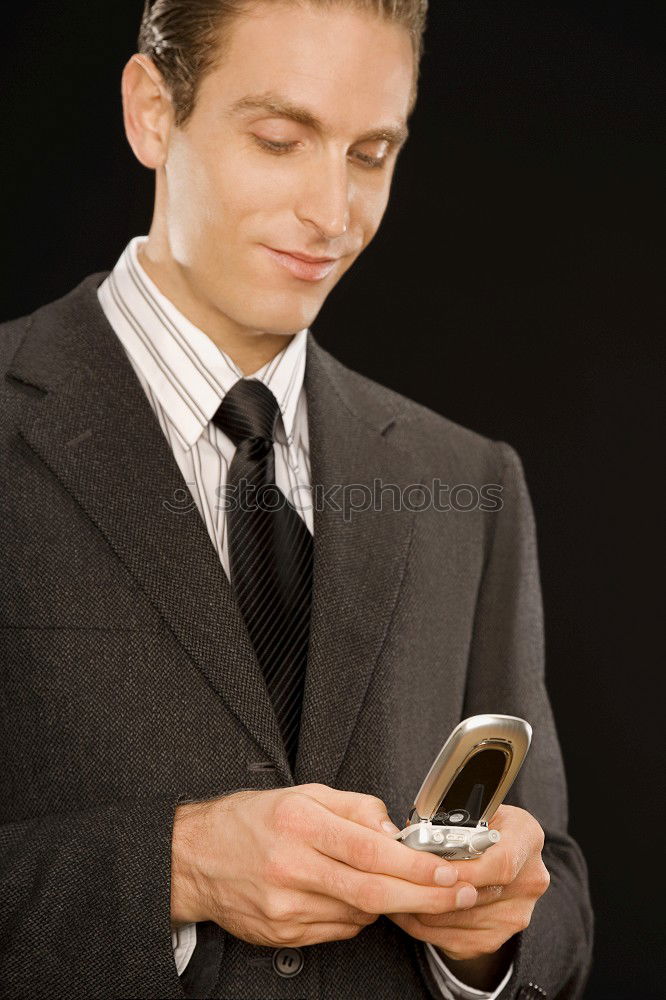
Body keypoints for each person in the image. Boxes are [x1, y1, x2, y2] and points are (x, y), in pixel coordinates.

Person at [0, 1, 593, 997]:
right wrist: (175, 867)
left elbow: (562, 894)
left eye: (371, 153)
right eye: (282, 140)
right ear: (152, 111)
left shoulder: (471, 483)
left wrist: (485, 934)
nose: (334, 212)